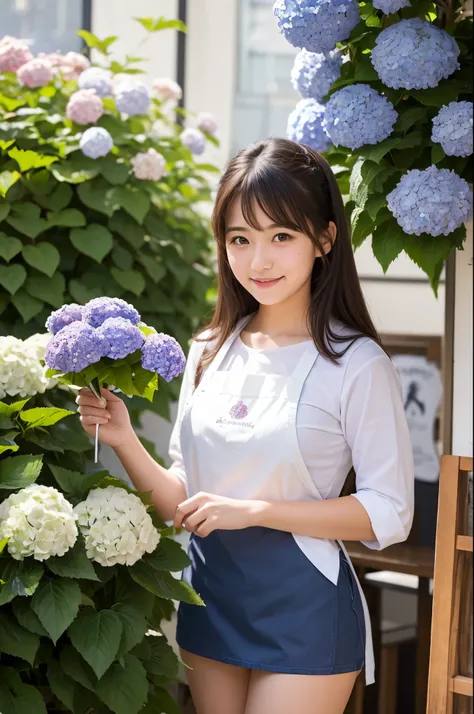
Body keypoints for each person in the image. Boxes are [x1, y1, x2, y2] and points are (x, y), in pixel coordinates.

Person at [77, 138, 414, 714]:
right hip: (210, 596)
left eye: (281, 236)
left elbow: (390, 511)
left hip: (304, 608)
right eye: (241, 238)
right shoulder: (210, 349)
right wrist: (124, 440)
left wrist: (257, 512)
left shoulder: (357, 364)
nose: (259, 260)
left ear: (325, 239)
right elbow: (180, 499)